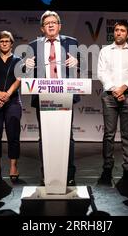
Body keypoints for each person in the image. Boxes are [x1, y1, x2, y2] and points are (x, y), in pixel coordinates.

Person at [24, 10, 79, 186]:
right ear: (42, 28)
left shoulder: (72, 42)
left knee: (67, 136)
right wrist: (26, 65)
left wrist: (78, 62)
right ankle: (46, 173)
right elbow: (24, 69)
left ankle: (69, 174)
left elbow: (81, 64)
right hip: (43, 97)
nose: (50, 25)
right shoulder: (33, 45)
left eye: (53, 22)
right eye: (47, 23)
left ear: (59, 25)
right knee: (45, 136)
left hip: (65, 96)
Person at [97, 21, 128, 184]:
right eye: (116, 30)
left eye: (122, 30)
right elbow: (101, 73)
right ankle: (107, 167)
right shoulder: (105, 51)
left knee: (127, 134)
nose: (119, 33)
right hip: (110, 96)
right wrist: (115, 90)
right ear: (113, 33)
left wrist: (123, 89)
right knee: (109, 134)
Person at [0, 31, 22, 184]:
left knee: (13, 135)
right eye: (2, 41)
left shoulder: (18, 60)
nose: (5, 43)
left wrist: (7, 94)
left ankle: (13, 166)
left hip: (13, 101)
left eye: (7, 41)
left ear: (12, 43)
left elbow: (19, 79)